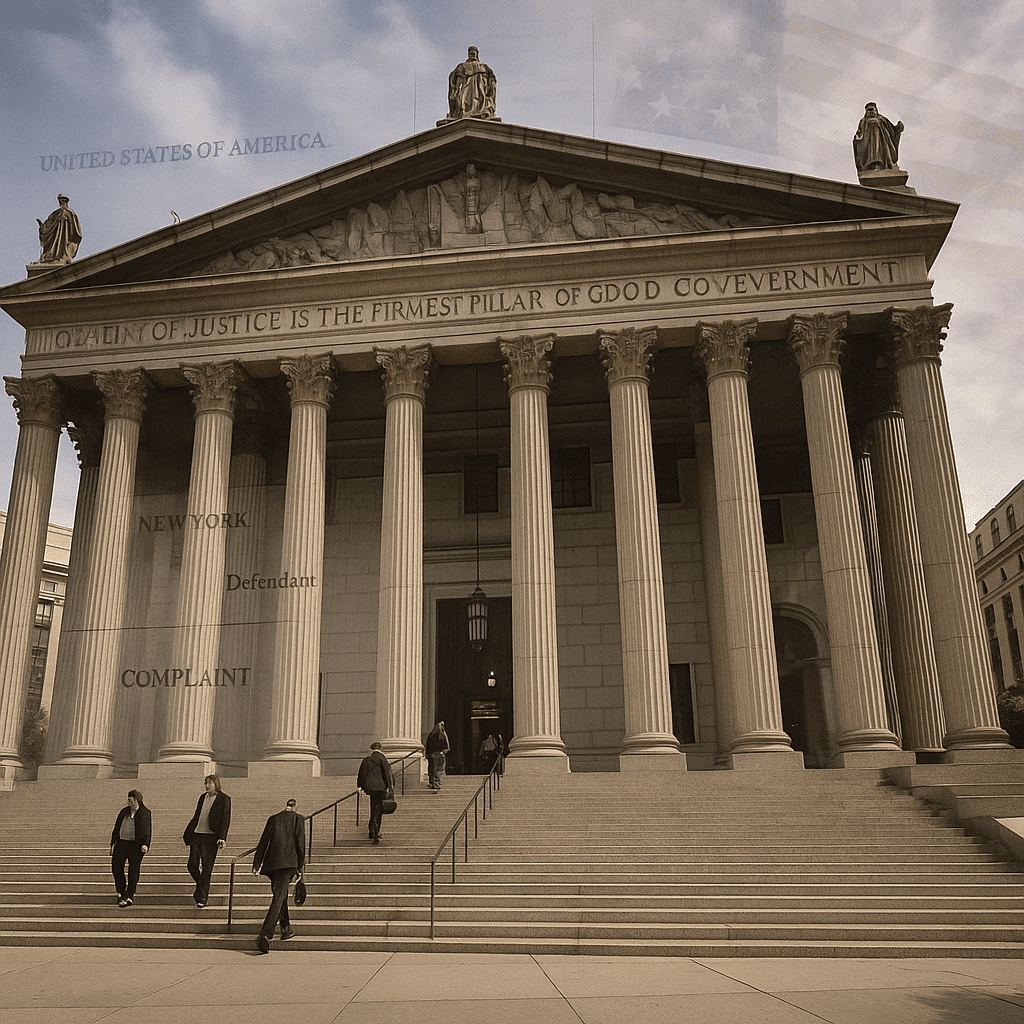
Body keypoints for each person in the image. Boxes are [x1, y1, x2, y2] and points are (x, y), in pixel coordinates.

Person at [252, 798, 305, 954]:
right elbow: (300, 843)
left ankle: (286, 928)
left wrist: (257, 863)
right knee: (278, 897)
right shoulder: (298, 819)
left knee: (280, 895)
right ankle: (265, 934)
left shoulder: (273, 819)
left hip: (272, 863)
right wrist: (301, 866)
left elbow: (263, 841)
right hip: (289, 863)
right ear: (295, 807)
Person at [182, 774, 231, 908]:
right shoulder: (202, 797)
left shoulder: (224, 799)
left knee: (207, 868)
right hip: (197, 834)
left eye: (209, 783)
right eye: (205, 783)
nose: (207, 785)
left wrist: (222, 837)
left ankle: (202, 898)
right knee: (192, 864)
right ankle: (201, 886)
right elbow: (197, 815)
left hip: (211, 837)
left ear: (216, 784)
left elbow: (225, 819)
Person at [110, 790, 151, 908]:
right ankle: (121, 890)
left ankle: (129, 895)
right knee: (116, 867)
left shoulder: (145, 813)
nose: (128, 802)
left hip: (136, 845)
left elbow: (147, 830)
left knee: (133, 870)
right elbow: (117, 827)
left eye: (130, 800)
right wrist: (113, 843)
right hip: (122, 843)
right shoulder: (124, 811)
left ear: (136, 800)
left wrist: (146, 844)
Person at [357, 741, 395, 844]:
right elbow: (386, 773)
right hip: (380, 788)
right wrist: (389, 787)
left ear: (372, 749)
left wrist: (359, 786)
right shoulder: (382, 758)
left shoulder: (367, 759)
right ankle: (375, 833)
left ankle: (372, 830)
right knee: (378, 811)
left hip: (370, 788)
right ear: (380, 748)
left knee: (373, 809)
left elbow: (361, 773)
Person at [447, 46, 497, 120]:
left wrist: (491, 85)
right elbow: (453, 77)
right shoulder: (462, 66)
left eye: (473, 54)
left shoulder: (484, 67)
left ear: (477, 55)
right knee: (464, 100)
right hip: (466, 86)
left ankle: (479, 111)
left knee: (480, 98)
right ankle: (464, 112)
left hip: (479, 87)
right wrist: (456, 86)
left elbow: (491, 78)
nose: (472, 56)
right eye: (470, 54)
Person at [853, 102, 904, 173]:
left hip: (881, 142)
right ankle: (871, 166)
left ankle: (883, 165)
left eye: (872, 109)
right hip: (868, 143)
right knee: (871, 155)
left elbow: (891, 129)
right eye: (868, 110)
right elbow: (859, 132)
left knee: (881, 152)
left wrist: (897, 129)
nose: (870, 112)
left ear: (876, 110)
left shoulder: (881, 118)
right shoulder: (863, 121)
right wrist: (858, 138)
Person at [36, 194, 82, 264]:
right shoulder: (56, 213)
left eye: (60, 201)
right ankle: (54, 256)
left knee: (63, 244)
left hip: (65, 235)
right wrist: (43, 227)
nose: (60, 203)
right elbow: (49, 223)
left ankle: (63, 256)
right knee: (55, 245)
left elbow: (75, 226)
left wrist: (71, 233)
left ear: (64, 201)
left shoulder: (70, 213)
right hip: (56, 235)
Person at [425, 721, 450, 791]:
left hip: (431, 755)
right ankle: (436, 783)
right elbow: (445, 747)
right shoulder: (441, 734)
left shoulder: (431, 734)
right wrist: (445, 750)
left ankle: (432, 783)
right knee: (438, 769)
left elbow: (427, 746)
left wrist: (427, 754)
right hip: (439, 754)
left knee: (432, 769)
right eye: (442, 725)